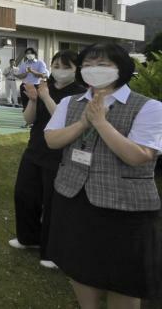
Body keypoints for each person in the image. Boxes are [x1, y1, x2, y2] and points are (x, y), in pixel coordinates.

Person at [44, 43, 162, 307]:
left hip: (125, 207)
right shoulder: (69, 103)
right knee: (80, 266)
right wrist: (84, 122)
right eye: (87, 65)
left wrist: (100, 122)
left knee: (124, 277)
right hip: (73, 198)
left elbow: (138, 155)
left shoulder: (150, 107)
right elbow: (52, 140)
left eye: (102, 65)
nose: (93, 71)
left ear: (122, 69)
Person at [9, 49, 86, 269]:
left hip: (59, 154)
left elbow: (66, 122)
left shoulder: (79, 93)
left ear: (76, 70)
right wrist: (33, 100)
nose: (59, 71)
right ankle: (28, 238)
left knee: (53, 203)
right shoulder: (45, 88)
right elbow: (28, 118)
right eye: (56, 66)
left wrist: (45, 97)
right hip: (35, 149)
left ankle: (52, 251)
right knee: (24, 194)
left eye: (66, 67)